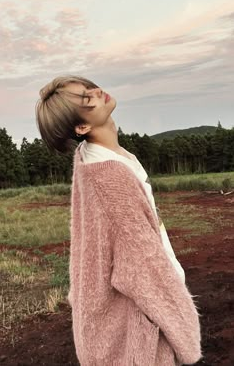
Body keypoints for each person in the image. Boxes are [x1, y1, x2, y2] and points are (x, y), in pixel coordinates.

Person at [35, 75, 203, 366]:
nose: (97, 92)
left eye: (89, 88)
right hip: (136, 334)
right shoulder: (111, 177)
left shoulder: (89, 156)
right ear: (82, 127)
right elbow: (143, 269)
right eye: (87, 99)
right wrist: (185, 333)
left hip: (106, 322)